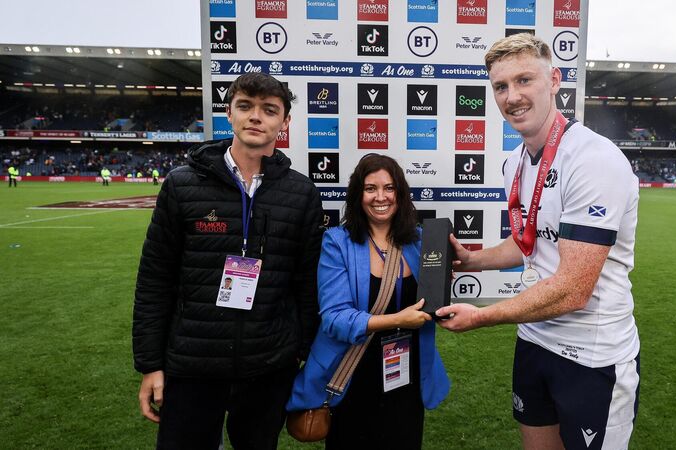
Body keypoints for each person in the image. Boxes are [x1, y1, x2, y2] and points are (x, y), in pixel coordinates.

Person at [436, 33, 640, 449]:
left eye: (524, 80)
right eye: (501, 86)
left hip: (591, 354)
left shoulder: (592, 159)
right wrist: (472, 260)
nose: (512, 96)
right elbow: (529, 241)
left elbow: (573, 288)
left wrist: (482, 317)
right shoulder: (514, 161)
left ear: (555, 80)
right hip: (534, 341)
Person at [133, 72, 324, 450]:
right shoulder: (182, 184)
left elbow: (307, 284)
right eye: (245, 106)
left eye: (269, 110)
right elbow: (155, 279)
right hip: (192, 363)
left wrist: (304, 355)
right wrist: (150, 365)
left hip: (268, 365)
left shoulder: (301, 192)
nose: (256, 116)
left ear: (285, 122)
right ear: (229, 113)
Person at [286, 154, 450, 450]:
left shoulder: (421, 241)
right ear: (357, 195)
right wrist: (397, 320)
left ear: (400, 193)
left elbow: (432, 302)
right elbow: (334, 318)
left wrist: (442, 292)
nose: (380, 197)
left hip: (406, 374)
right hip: (353, 373)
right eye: (370, 188)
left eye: (389, 188)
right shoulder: (337, 242)